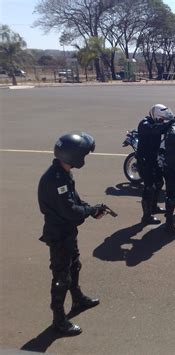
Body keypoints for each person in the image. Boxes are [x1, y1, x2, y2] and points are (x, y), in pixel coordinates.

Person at [38, 132, 104, 335]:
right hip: (58, 234)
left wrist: (92, 208)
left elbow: (75, 201)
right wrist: (90, 211)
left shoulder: (63, 172)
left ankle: (77, 299)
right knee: (61, 276)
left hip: (66, 231)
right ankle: (58, 320)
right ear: (74, 157)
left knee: (74, 265)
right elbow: (71, 211)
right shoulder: (56, 179)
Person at [136, 104, 175, 225]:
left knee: (159, 182)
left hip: (153, 158)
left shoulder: (157, 122)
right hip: (144, 160)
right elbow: (155, 129)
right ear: (156, 116)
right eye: (162, 120)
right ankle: (146, 217)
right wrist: (168, 123)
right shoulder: (144, 124)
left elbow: (167, 123)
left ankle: (153, 207)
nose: (164, 122)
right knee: (149, 187)